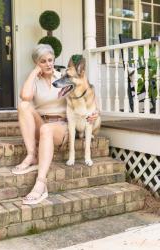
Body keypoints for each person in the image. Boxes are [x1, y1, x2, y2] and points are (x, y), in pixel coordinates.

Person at [12, 44, 99, 205]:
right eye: (43, 61)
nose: (48, 64)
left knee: (46, 129)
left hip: (61, 126)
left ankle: (41, 183)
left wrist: (93, 113)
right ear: (37, 63)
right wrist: (34, 73)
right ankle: (32, 155)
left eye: (50, 60)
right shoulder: (35, 81)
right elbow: (25, 96)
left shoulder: (63, 77)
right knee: (24, 105)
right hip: (42, 124)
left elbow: (85, 95)